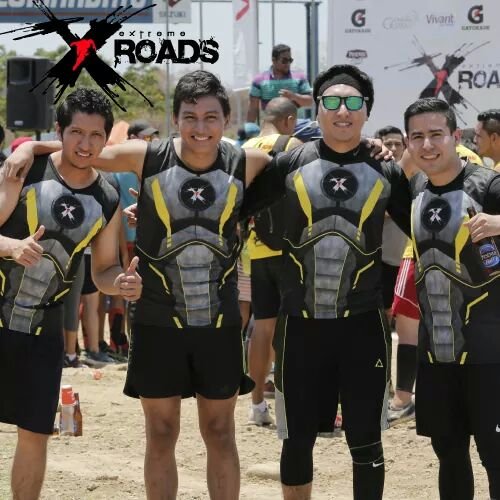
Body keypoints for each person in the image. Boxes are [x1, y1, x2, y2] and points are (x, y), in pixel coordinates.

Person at [5, 70, 276, 500]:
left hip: (218, 320)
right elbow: (88, 150)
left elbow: (303, 161)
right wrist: (31, 147)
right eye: (190, 117)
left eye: (210, 117)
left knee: (221, 432)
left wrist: (376, 148)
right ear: (175, 119)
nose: (200, 127)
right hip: (156, 319)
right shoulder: (145, 156)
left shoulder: (249, 162)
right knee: (161, 432)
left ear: (226, 120)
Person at [242, 64, 412, 500]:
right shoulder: (288, 164)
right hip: (300, 323)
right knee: (296, 439)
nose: (342, 110)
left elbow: (426, 231)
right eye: (332, 101)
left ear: (367, 110)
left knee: (366, 441)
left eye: (353, 102)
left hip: (363, 326)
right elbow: (233, 211)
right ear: (315, 108)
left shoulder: (387, 171)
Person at [0, 88, 142, 500]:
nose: (85, 144)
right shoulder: (26, 169)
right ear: (59, 130)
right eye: (76, 132)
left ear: (106, 138)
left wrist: (121, 284)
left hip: (45, 329)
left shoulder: (108, 195)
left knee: (35, 433)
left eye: (95, 135)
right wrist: (12, 247)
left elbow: (103, 269)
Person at [405, 97, 500, 500]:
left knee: (496, 456)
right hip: (437, 354)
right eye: (417, 137)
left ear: (455, 136)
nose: (427, 145)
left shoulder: (489, 186)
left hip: (491, 356)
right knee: (449, 454)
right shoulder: (415, 188)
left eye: (436, 134)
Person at [243, 97, 302, 426]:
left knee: (262, 326)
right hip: (289, 250)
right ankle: (286, 404)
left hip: (256, 249)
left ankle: (256, 406)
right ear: (289, 120)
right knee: (291, 328)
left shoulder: (244, 149)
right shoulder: (293, 146)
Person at [247, 43, 313, 124]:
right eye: (284, 61)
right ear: (274, 60)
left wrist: (294, 96)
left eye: (290, 60)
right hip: (271, 126)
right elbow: (253, 108)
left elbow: (309, 101)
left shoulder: (300, 77)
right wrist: (249, 128)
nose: (288, 64)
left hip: (297, 125)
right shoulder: (259, 80)